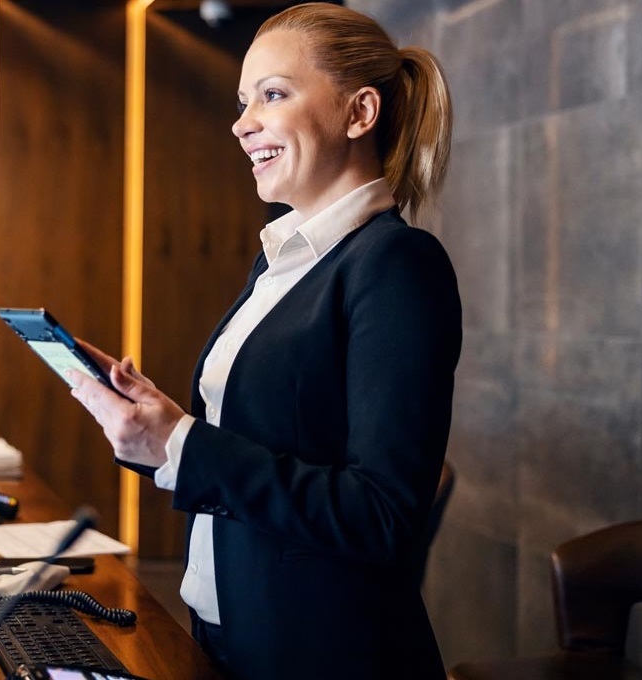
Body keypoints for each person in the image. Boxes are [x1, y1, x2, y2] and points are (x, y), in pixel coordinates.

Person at [69, 3, 462, 677]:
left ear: (359, 113)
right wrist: (158, 427)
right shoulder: (284, 260)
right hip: (226, 630)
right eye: (243, 101)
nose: (242, 123)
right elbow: (257, 440)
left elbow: (382, 515)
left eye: (272, 95)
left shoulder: (397, 265)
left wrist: (183, 443)